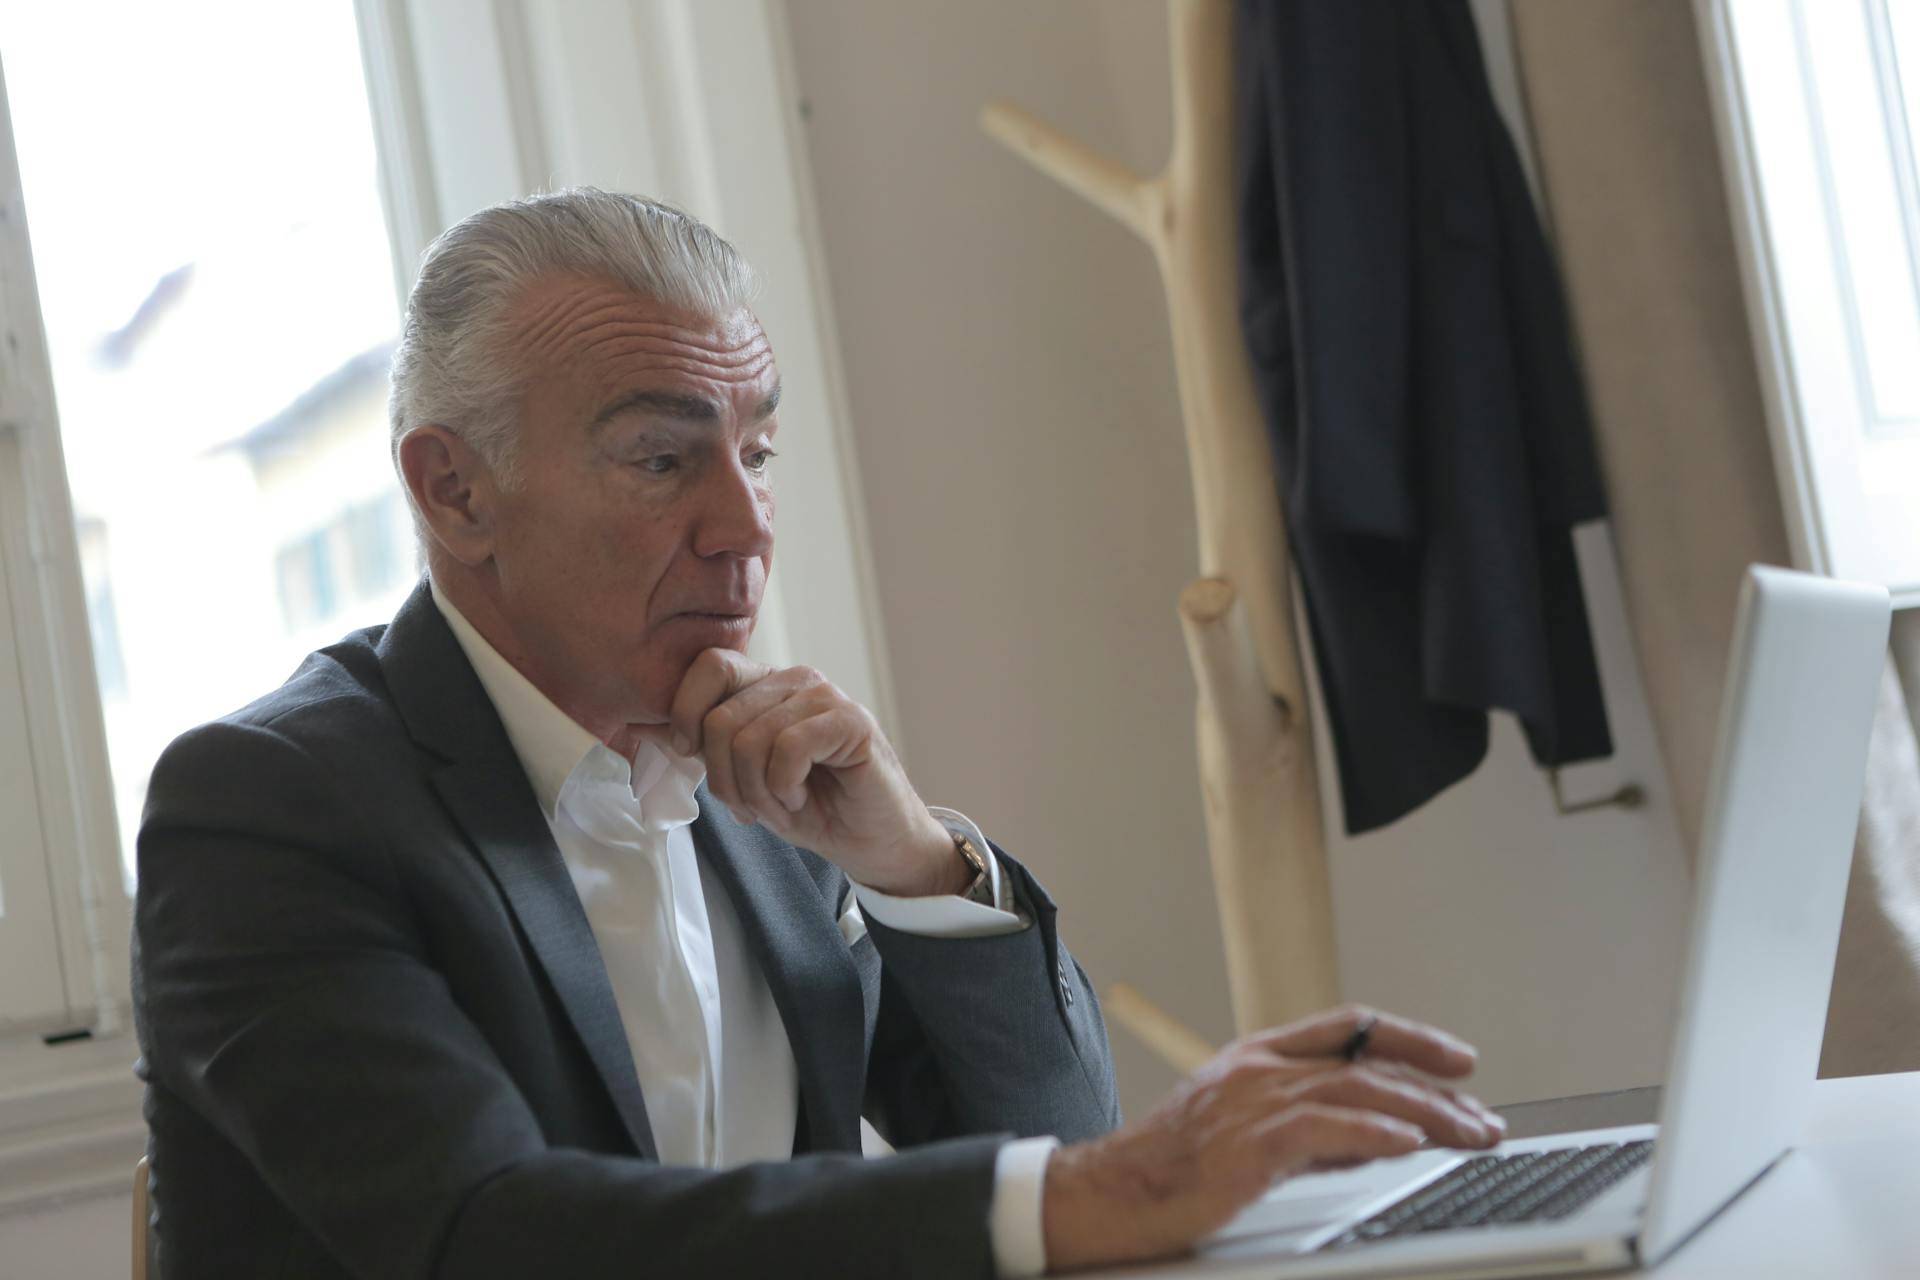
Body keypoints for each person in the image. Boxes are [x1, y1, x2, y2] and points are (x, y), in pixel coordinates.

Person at [132, 188, 1504, 1279]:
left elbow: (1049, 1142)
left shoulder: (757, 766)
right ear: (455, 491)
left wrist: (913, 864)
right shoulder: (264, 807)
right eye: (664, 459)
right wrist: (1128, 1183)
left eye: (761, 452)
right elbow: (488, 1236)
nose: (744, 528)